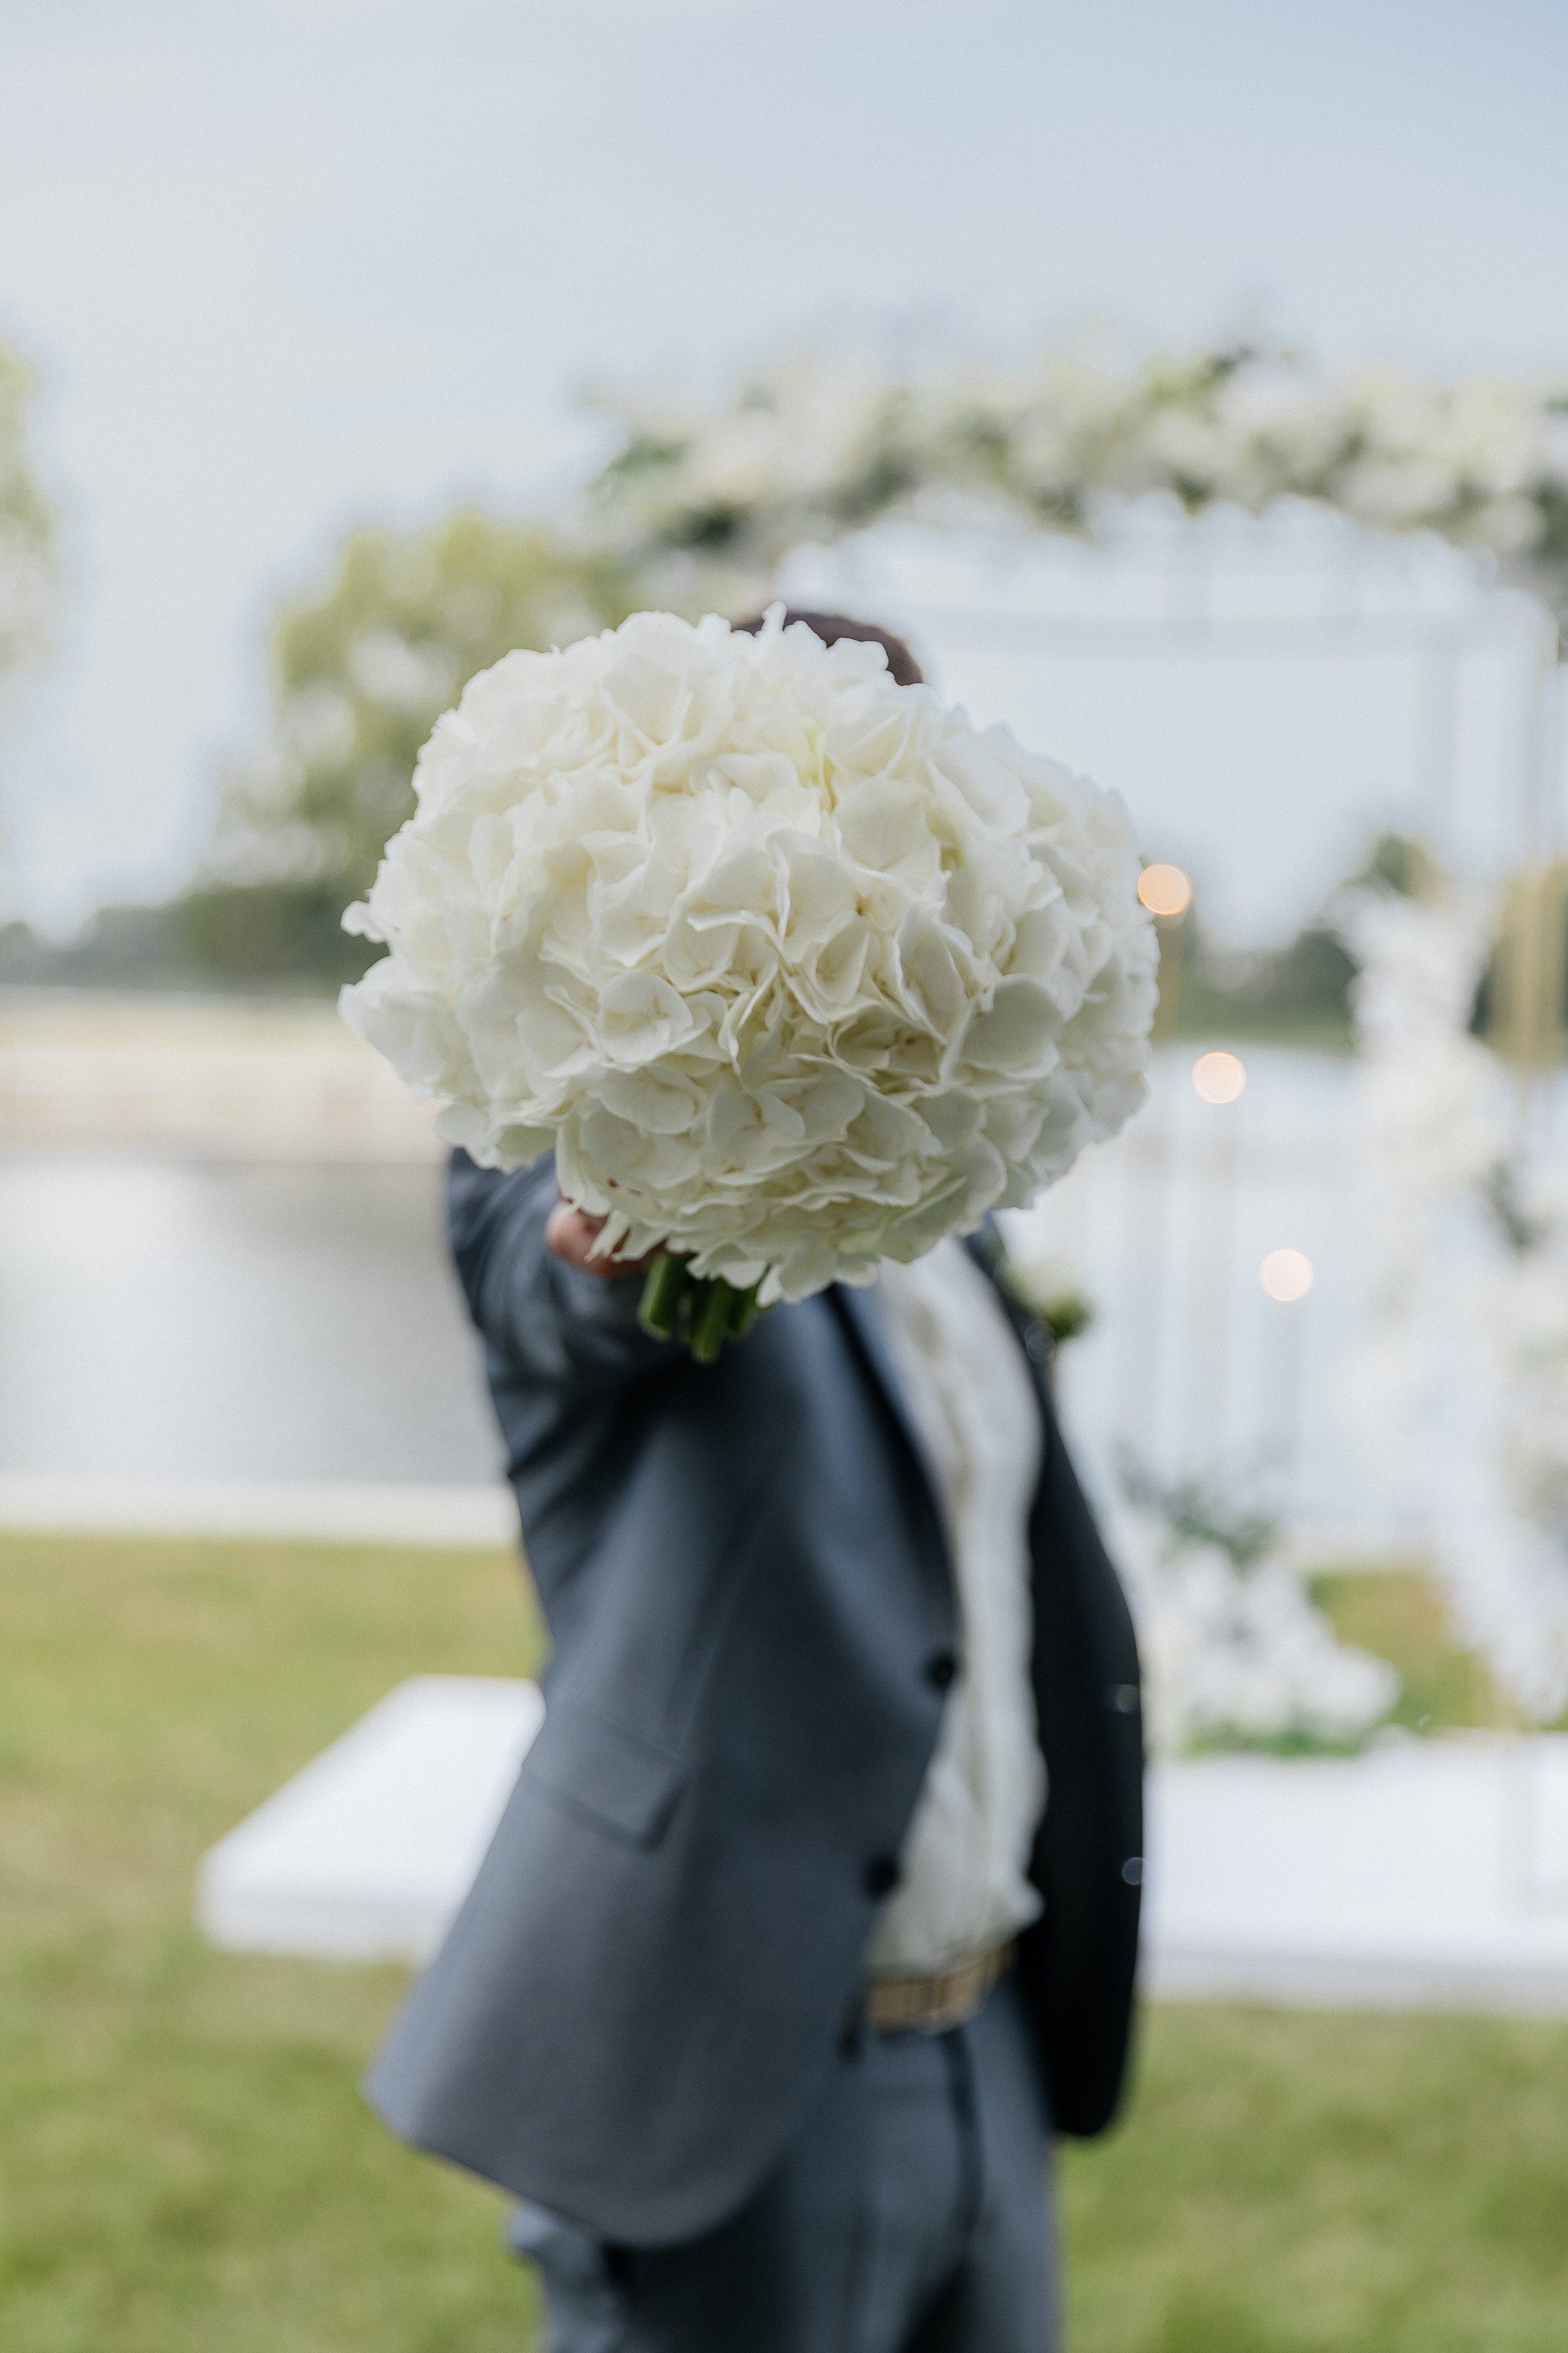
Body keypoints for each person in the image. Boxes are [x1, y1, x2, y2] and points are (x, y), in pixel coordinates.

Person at [366, 613, 1144, 2353]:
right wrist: (649, 1193)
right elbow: (553, 1293)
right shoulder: (557, 1136)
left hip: (992, 2051)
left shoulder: (948, 1170)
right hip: (733, 2075)